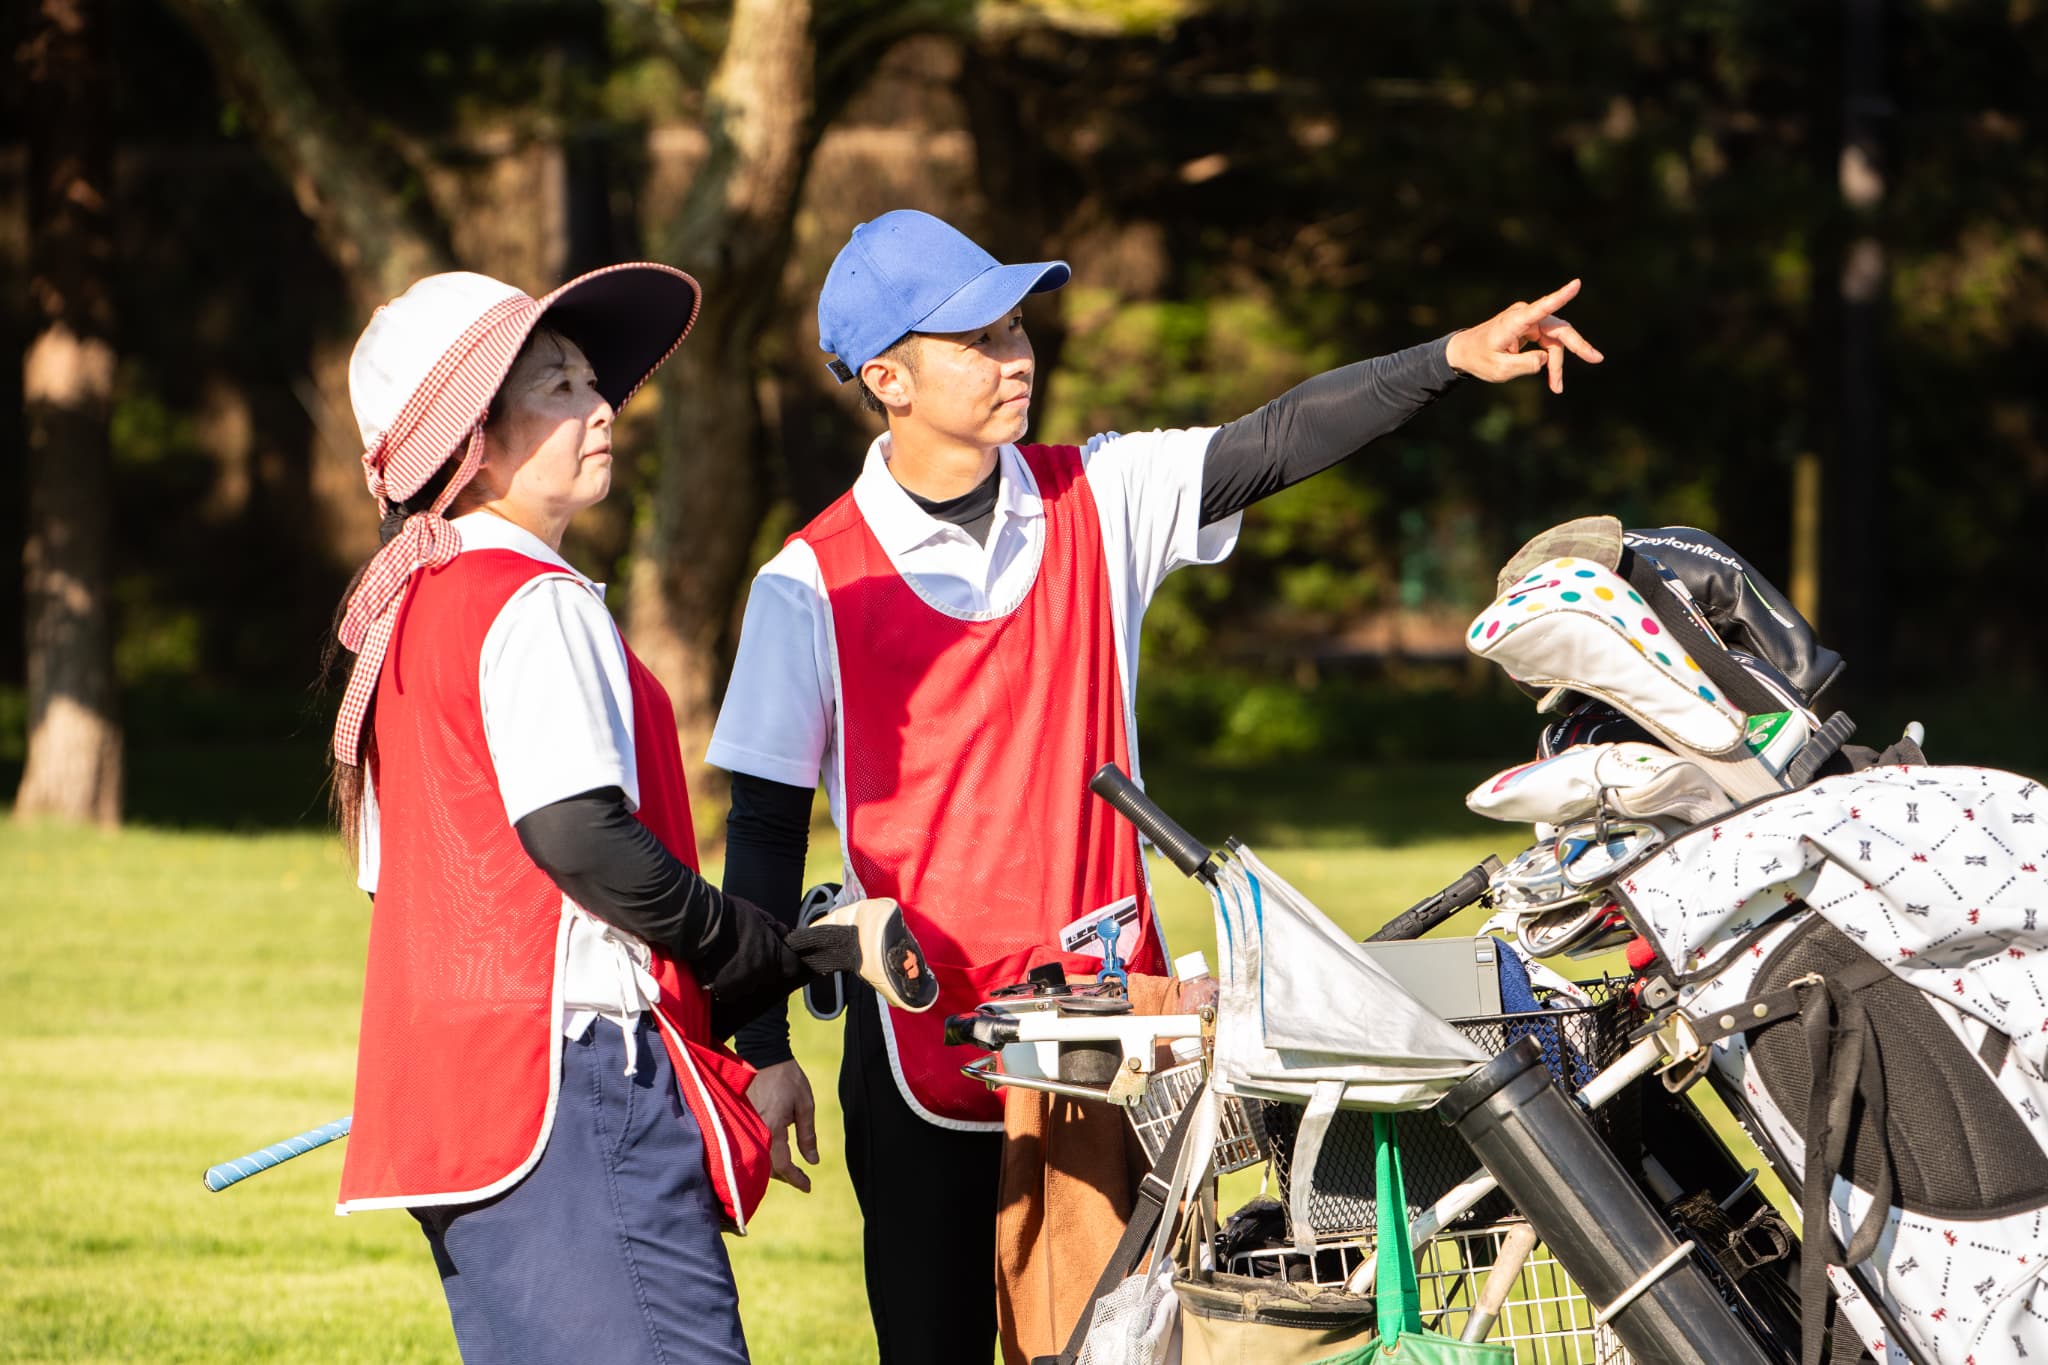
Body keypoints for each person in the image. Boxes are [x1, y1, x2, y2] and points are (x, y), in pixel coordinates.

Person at [705, 209, 1602, 1363]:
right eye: (976, 338)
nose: (1016, 355)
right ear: (888, 377)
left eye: (1017, 327)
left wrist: (1444, 360)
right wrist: (764, 1047)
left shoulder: (1100, 492)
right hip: (915, 1044)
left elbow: (1272, 439)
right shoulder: (804, 582)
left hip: (1105, 1039)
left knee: (1116, 1345)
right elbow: (766, 829)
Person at [322, 264, 934, 1365]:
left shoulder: (414, 606)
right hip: (570, 1089)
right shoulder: (530, 600)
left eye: (592, 381)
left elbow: (405, 877)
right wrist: (760, 951)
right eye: (558, 386)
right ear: (471, 442)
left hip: (465, 1109)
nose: (601, 405)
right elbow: (581, 843)